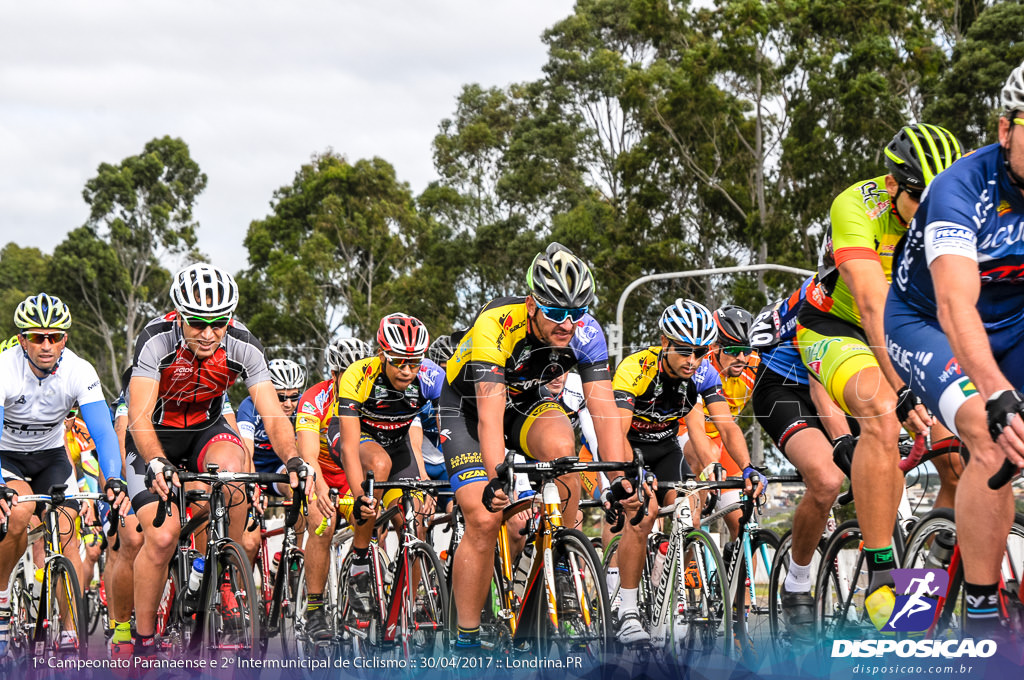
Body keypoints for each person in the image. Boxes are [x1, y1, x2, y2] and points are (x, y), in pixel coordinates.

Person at [797, 122, 964, 629]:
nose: (931, 212)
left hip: (915, 326)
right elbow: (871, 306)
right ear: (893, 186)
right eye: (920, 198)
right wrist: (904, 386)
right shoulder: (858, 205)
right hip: (840, 326)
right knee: (882, 413)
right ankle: (882, 575)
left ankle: (934, 556)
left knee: (958, 449)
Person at [885, 61, 1024, 639]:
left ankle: (949, 558)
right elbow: (954, 305)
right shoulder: (960, 189)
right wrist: (997, 395)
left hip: (1014, 323)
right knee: (992, 440)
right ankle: (983, 614)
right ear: (1005, 130)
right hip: (927, 322)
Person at [442, 242, 626, 653]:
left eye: (576, 313)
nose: (568, 324)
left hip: (523, 403)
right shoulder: (497, 323)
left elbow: (605, 415)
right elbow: (489, 420)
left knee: (565, 452)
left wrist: (620, 479)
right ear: (531, 304)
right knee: (485, 518)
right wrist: (496, 481)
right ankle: (467, 641)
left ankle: (559, 555)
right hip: (468, 411)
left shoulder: (587, 333)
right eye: (557, 313)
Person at [125, 263, 314, 658]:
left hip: (204, 431)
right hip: (154, 437)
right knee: (161, 537)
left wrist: (294, 459)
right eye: (197, 323)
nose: (209, 334)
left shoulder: (243, 342)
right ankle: (142, 642)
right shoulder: (156, 339)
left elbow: (274, 416)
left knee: (235, 474)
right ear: (179, 316)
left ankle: (216, 563)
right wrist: (157, 463)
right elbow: (139, 417)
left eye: (219, 322)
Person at [611, 298, 766, 644]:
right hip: (631, 445)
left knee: (690, 513)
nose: (692, 360)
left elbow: (726, 427)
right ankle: (629, 611)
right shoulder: (635, 368)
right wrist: (629, 473)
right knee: (643, 513)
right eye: (684, 351)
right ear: (665, 343)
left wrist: (747, 467)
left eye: (699, 351)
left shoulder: (704, 373)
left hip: (666, 448)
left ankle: (671, 589)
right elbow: (616, 433)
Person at [0, 294, 128, 656]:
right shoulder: (5, 367)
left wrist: (113, 477)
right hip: (6, 455)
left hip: (52, 457)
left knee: (68, 532)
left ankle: (70, 632)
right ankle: (3, 595)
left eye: (54, 337)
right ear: (22, 339)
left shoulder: (79, 370)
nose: (46, 344)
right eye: (37, 337)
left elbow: (102, 432)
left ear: (64, 339)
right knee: (20, 513)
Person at [750, 277, 850, 638]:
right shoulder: (820, 299)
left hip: (844, 379)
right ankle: (796, 584)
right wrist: (842, 442)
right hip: (786, 386)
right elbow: (821, 394)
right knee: (826, 479)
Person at [331, 314, 442, 622]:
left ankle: (409, 605)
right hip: (359, 438)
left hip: (397, 441)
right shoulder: (359, 374)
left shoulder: (431, 376)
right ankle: (360, 559)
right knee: (378, 465)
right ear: (382, 354)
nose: (407, 371)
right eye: (398, 362)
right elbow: (350, 450)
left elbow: (452, 430)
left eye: (414, 362)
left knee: (417, 518)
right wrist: (359, 498)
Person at [294, 337, 370, 639]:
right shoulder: (315, 397)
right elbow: (308, 454)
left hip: (352, 477)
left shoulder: (371, 395)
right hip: (320, 475)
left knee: (371, 517)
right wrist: (321, 488)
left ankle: (363, 578)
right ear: (334, 373)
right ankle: (315, 607)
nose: (353, 377)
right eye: (345, 372)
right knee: (322, 526)